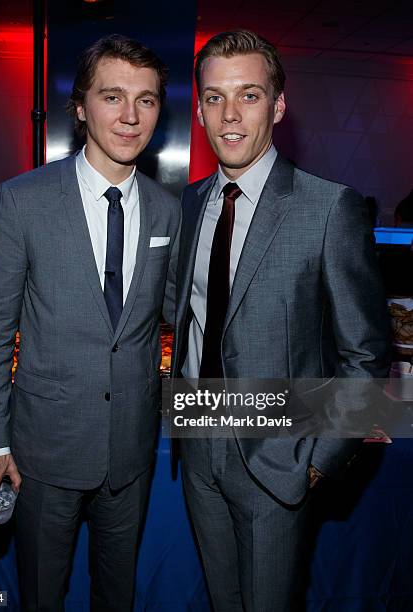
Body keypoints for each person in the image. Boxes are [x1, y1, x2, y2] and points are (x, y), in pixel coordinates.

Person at [171, 30, 390, 611]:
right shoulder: (192, 202)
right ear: (198, 109)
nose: (231, 115)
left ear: (278, 105)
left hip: (279, 456)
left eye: (249, 95)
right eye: (215, 98)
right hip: (196, 441)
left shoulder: (328, 206)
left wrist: (319, 461)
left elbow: (366, 355)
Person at [0, 34, 179, 611]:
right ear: (81, 107)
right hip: (45, 450)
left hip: (131, 451)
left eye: (147, 99)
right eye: (113, 97)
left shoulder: (167, 209)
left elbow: (180, 315)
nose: (131, 116)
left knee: (118, 596)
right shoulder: (23, 200)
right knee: (42, 594)